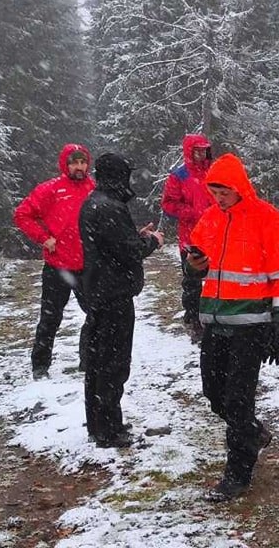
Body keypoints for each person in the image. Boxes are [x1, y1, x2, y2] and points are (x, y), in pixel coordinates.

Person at [185, 153, 279, 502]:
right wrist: (195, 265)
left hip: (252, 326)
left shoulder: (268, 219)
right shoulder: (208, 220)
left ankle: (237, 474)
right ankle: (251, 433)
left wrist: (277, 324)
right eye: (214, 192)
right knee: (214, 395)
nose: (219, 198)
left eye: (225, 192)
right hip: (216, 323)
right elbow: (198, 267)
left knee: (238, 400)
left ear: (240, 187)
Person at [78, 153, 165, 448]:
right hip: (113, 295)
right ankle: (108, 430)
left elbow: (113, 243)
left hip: (100, 291)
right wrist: (151, 241)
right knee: (112, 364)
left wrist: (135, 235)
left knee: (100, 362)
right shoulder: (109, 207)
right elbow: (127, 252)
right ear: (117, 177)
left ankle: (102, 424)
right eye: (126, 176)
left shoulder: (95, 202)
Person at [13, 144, 94, 379]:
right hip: (57, 266)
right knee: (50, 318)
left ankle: (88, 361)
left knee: (95, 315)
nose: (79, 167)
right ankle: (40, 366)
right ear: (65, 165)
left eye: (82, 162)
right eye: (74, 163)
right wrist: (43, 238)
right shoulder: (50, 189)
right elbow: (22, 215)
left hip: (86, 266)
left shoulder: (94, 188)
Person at [161, 134, 214, 339]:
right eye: (197, 150)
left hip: (215, 235)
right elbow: (168, 204)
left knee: (215, 279)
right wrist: (191, 212)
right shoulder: (179, 175)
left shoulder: (213, 171)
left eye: (204, 150)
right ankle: (193, 319)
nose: (201, 154)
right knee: (192, 282)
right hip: (191, 237)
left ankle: (210, 316)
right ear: (189, 152)